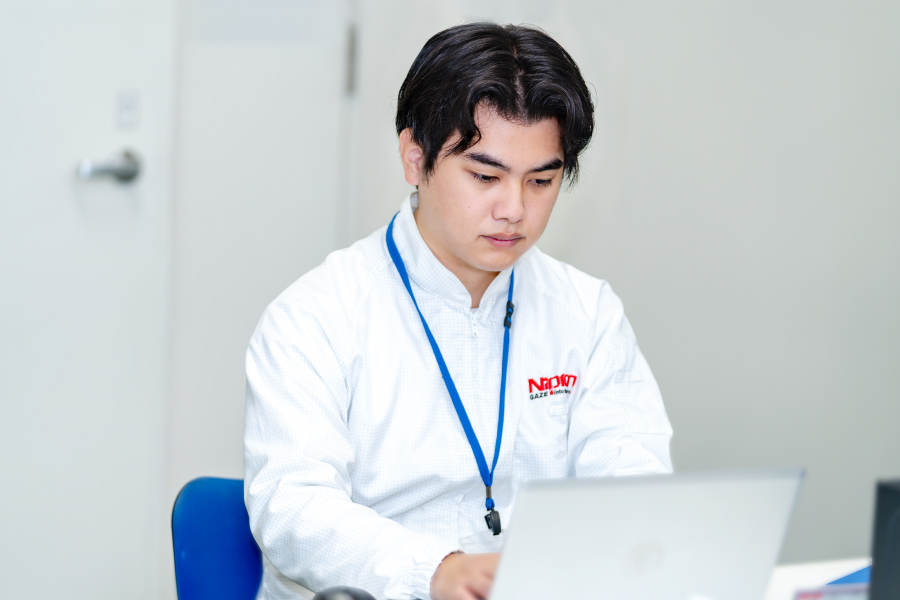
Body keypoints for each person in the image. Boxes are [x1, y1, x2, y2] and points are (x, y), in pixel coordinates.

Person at [244, 22, 672, 600]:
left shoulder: (586, 313)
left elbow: (632, 490)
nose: (514, 209)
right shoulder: (315, 318)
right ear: (414, 157)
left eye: (541, 181)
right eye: (485, 176)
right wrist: (435, 572)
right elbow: (293, 509)